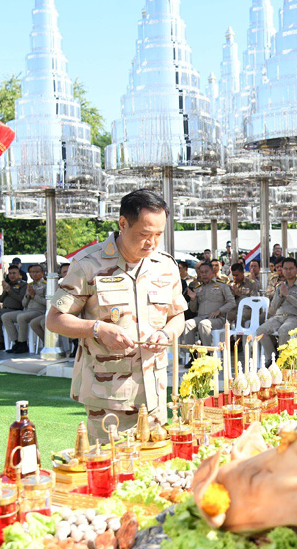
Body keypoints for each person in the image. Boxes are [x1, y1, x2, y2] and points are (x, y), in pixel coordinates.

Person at [46, 188, 186, 439]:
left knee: (153, 469)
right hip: (108, 397)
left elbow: (178, 316)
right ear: (123, 223)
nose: (152, 243)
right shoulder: (88, 264)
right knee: (111, 469)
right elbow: (55, 319)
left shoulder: (165, 266)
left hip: (154, 392)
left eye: (158, 234)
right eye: (144, 234)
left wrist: (166, 333)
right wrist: (97, 329)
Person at [257, 257, 297, 359]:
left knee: (284, 330)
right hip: (279, 317)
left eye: (291, 268)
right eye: (285, 269)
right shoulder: (280, 286)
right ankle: (272, 359)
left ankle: (283, 361)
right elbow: (274, 307)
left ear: (296, 269)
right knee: (260, 330)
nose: (288, 271)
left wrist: (288, 296)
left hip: (295, 318)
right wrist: (280, 295)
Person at [182, 262, 235, 347]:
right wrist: (193, 299)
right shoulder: (198, 288)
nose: (204, 274)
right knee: (187, 324)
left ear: (212, 272)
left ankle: (207, 353)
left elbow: (232, 302)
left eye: (206, 272)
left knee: (204, 324)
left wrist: (219, 310)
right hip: (201, 317)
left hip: (217, 319)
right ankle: (190, 353)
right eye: (201, 272)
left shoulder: (222, 286)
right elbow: (193, 309)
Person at [3, 264, 46, 354]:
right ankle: (16, 342)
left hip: (39, 311)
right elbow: (23, 303)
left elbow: (47, 303)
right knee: (6, 317)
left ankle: (23, 343)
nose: (34, 274)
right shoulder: (29, 285)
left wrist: (34, 296)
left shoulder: (46, 285)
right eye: (32, 272)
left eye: (37, 272)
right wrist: (27, 296)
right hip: (27, 310)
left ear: (42, 273)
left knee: (21, 317)